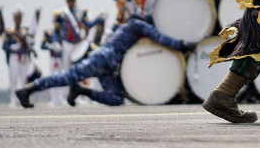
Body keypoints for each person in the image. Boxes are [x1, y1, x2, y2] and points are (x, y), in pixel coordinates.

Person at [15, 16, 194, 108]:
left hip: (110, 67)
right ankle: (29, 89)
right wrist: (181, 45)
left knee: (116, 99)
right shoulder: (136, 25)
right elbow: (158, 37)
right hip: (103, 58)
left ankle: (82, 90)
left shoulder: (128, 26)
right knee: (67, 77)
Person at [3, 4, 35, 108]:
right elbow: (4, 45)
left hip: (24, 56)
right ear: (14, 18)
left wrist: (30, 42)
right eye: (16, 17)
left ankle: (22, 98)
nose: (18, 19)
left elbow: (31, 43)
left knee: (23, 78)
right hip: (14, 56)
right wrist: (12, 47)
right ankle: (13, 98)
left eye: (20, 17)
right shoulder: (9, 31)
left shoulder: (25, 30)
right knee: (13, 78)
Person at [40, 28, 64, 105]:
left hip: (62, 58)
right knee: (52, 77)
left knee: (62, 77)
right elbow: (42, 45)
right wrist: (50, 46)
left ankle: (61, 98)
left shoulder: (64, 31)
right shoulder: (49, 33)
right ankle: (53, 99)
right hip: (53, 58)